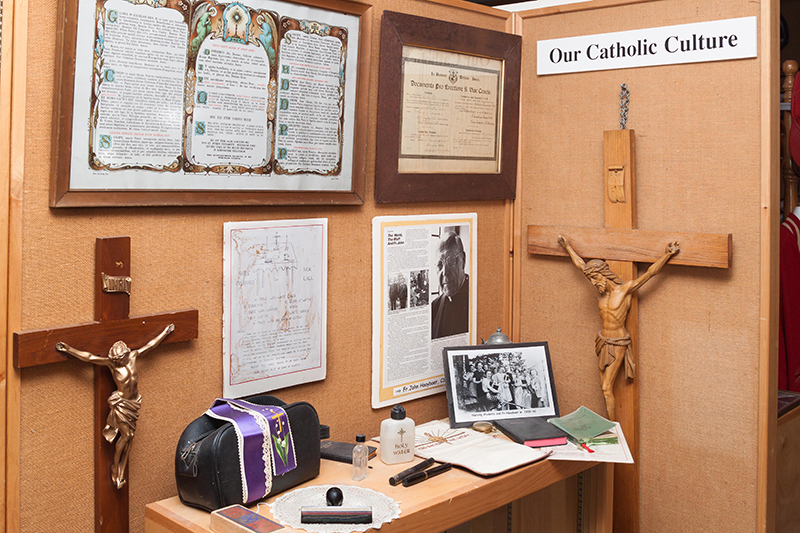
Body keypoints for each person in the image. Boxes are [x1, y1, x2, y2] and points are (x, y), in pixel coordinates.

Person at [558, 235, 679, 420]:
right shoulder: (600, 290)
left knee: (607, 387)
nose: (594, 283)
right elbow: (581, 265)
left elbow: (650, 274)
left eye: (596, 278)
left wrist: (667, 255)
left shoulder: (623, 291)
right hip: (602, 340)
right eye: (591, 280)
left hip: (618, 341)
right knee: (603, 387)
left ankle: (613, 430)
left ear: (604, 274)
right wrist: (567, 248)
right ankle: (609, 424)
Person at [56, 323, 175, 489]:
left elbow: (150, 345)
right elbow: (89, 358)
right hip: (121, 405)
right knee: (126, 436)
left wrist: (165, 332)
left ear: (126, 354)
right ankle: (116, 469)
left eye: (120, 358)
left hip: (134, 403)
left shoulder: (133, 357)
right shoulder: (112, 364)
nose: (118, 361)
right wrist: (69, 349)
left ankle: (120, 469)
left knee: (130, 437)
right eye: (116, 359)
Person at [431, 232, 469, 339]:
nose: (444, 271)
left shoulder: (478, 299)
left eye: (450, 261)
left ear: (463, 260)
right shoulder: (434, 307)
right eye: (439, 265)